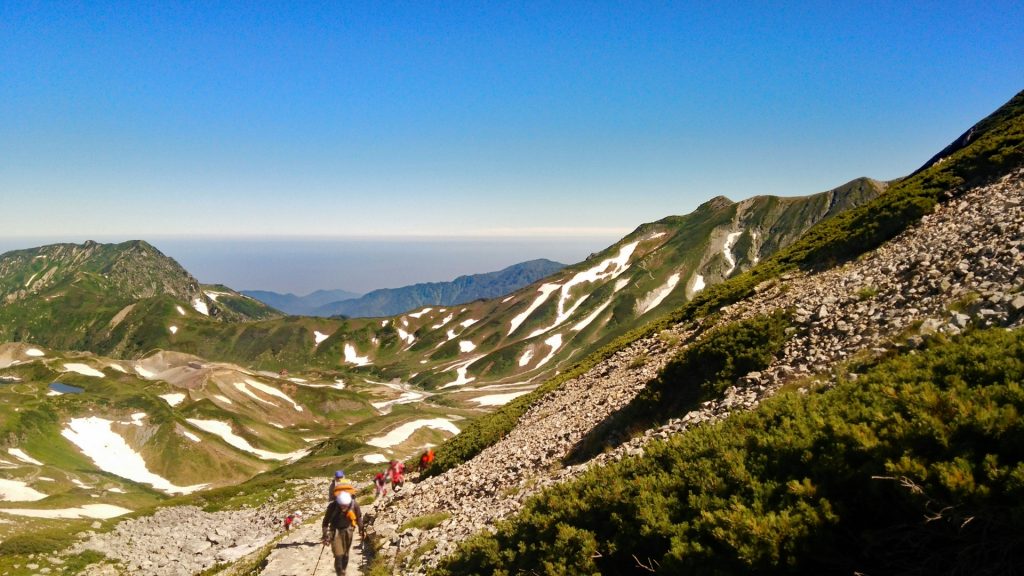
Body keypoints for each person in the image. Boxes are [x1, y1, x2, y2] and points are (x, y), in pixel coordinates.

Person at [322, 488, 364, 576]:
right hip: (335, 531)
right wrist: (325, 535)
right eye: (342, 505)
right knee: (338, 555)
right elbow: (325, 522)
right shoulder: (333, 506)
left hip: (348, 530)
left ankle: (343, 570)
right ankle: (340, 573)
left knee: (345, 554)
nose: (344, 507)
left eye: (345, 505)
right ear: (338, 503)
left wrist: (361, 529)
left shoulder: (354, 505)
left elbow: (359, 517)